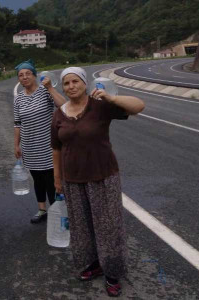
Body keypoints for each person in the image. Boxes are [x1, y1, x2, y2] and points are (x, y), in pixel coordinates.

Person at [51, 67, 145, 297]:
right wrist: (57, 178)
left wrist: (111, 97)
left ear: (84, 83)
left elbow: (138, 106)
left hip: (103, 177)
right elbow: (56, 147)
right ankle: (93, 264)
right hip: (73, 180)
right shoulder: (59, 113)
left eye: (75, 81)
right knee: (83, 226)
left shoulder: (100, 106)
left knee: (108, 227)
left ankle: (112, 272)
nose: (71, 86)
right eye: (67, 83)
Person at [13, 59, 66, 223]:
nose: (24, 77)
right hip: (29, 147)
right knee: (37, 179)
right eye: (21, 75)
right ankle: (42, 210)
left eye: (28, 73)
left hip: (48, 145)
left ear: (35, 76)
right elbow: (17, 123)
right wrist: (16, 144)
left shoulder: (45, 92)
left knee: (52, 180)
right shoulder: (18, 99)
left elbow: (63, 106)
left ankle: (57, 212)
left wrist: (50, 87)